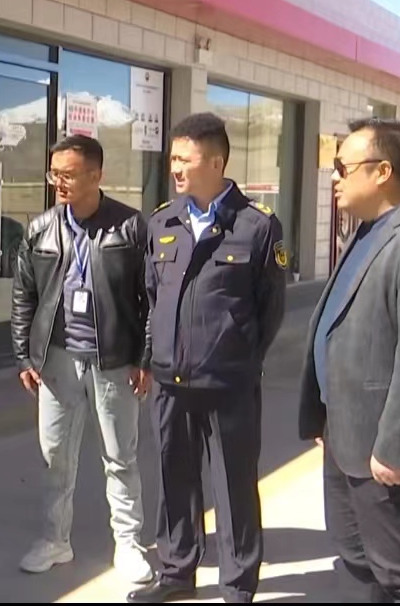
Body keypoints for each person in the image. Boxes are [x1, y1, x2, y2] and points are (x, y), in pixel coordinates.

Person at [299, 117, 400, 603]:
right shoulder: (368, 232)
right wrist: (324, 412)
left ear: (382, 171)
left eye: (343, 167)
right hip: (344, 435)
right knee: (356, 561)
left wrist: (395, 445)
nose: (334, 178)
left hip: (383, 450)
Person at [129, 112, 287, 604]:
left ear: (216, 162)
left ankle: (238, 585)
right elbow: (152, 299)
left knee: (234, 484)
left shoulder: (257, 225)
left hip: (228, 384)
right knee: (175, 479)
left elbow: (271, 309)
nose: (175, 168)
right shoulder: (162, 222)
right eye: (173, 158)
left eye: (185, 159)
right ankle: (176, 571)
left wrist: (238, 356)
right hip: (170, 381)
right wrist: (151, 357)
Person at [11, 134, 153, 583]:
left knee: (120, 456)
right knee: (55, 456)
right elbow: (24, 295)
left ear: (96, 175)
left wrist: (145, 357)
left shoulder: (130, 228)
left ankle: (128, 544)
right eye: (54, 174)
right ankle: (55, 540)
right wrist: (25, 356)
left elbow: (150, 299)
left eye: (68, 174)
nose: (59, 183)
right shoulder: (41, 228)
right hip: (57, 360)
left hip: (114, 359)